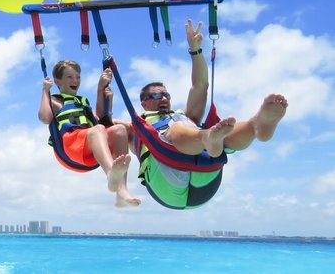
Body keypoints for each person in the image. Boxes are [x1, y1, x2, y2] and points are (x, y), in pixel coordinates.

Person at [105, 19, 288, 209]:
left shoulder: (187, 115)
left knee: (215, 134)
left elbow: (200, 85)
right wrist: (102, 90)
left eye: (166, 95)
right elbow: (101, 121)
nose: (164, 98)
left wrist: (195, 50)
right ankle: (206, 138)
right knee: (180, 127)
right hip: (167, 187)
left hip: (207, 180)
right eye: (157, 95)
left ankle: (256, 125)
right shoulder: (134, 128)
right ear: (144, 103)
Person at [39, 60, 141, 207]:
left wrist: (102, 92)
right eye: (69, 77)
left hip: (91, 150)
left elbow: (101, 119)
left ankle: (122, 193)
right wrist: (45, 91)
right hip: (71, 147)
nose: (75, 80)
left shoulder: (83, 102)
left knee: (119, 130)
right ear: (58, 81)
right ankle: (111, 173)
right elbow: (45, 118)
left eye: (78, 77)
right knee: (97, 130)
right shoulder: (55, 100)